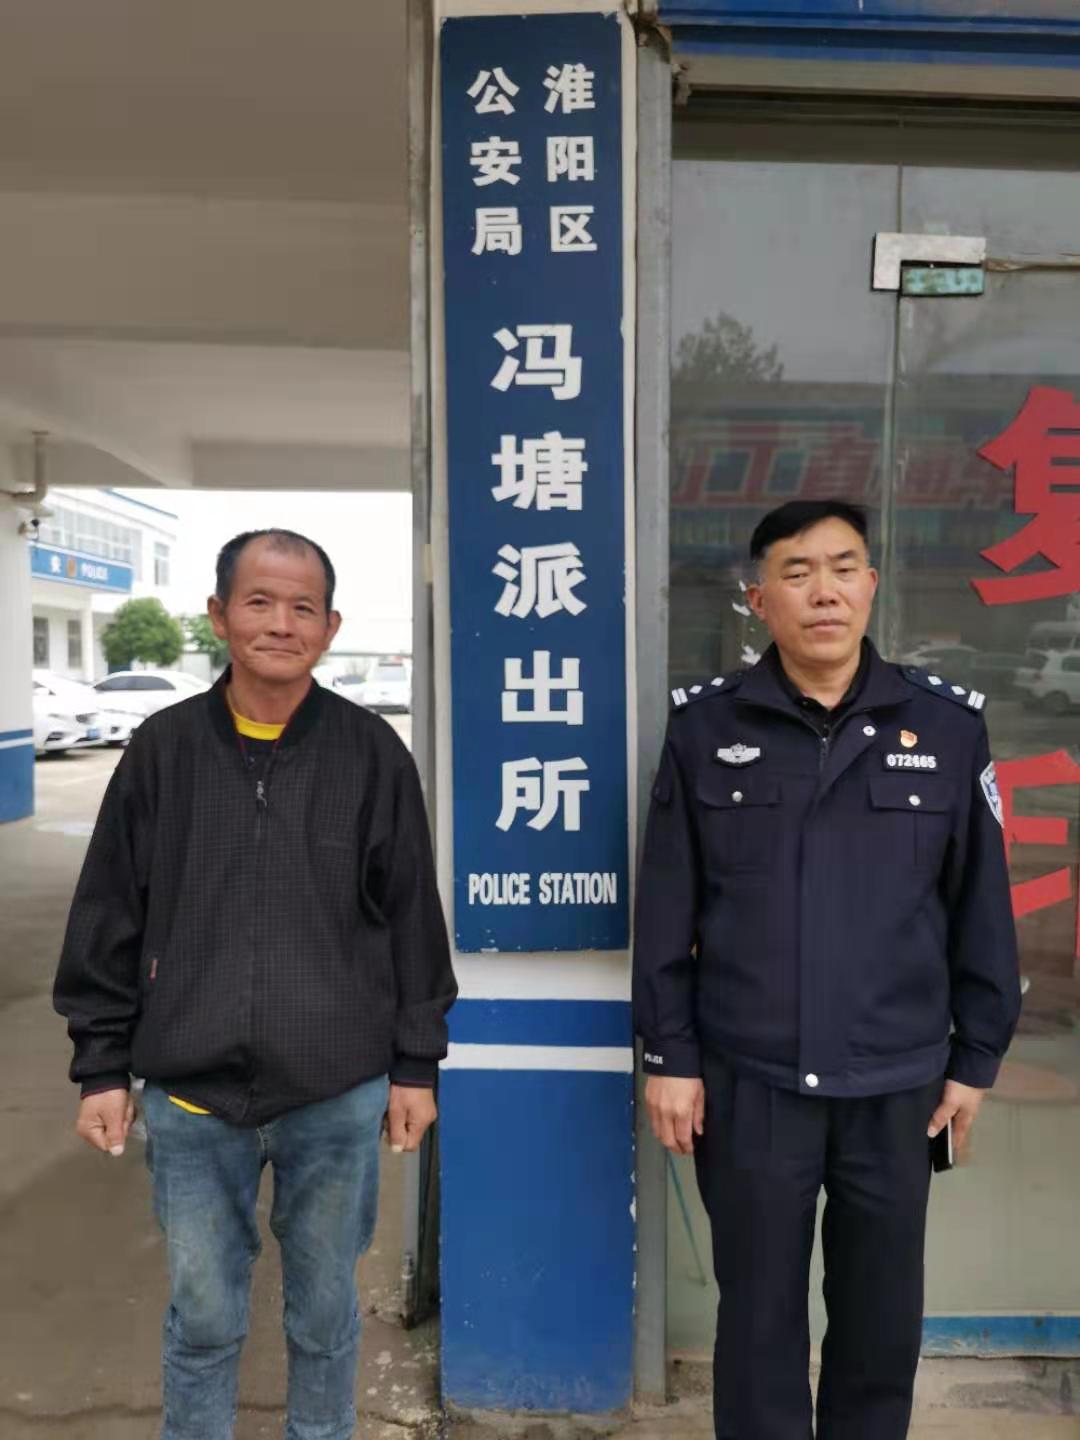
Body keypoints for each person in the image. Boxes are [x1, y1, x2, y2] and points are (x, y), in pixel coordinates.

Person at [54, 528, 457, 1440]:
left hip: (335, 1093)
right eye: (260, 602)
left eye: (303, 607)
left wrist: (415, 1065)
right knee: (203, 1318)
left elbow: (410, 920)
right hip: (192, 1100)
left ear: (330, 626)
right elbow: (109, 911)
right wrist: (101, 1067)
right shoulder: (163, 751)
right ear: (219, 615)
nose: (281, 624)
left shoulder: (370, 754)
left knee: (324, 1314)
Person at [634, 499, 1021, 1440]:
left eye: (844, 569)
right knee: (757, 1317)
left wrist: (975, 1061)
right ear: (759, 598)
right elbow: (668, 908)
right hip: (751, 1078)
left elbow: (981, 908)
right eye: (798, 573)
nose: (825, 592)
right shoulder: (705, 729)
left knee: (881, 1317)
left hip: (897, 1082)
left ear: (871, 586)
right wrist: (671, 1057)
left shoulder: (946, 727)